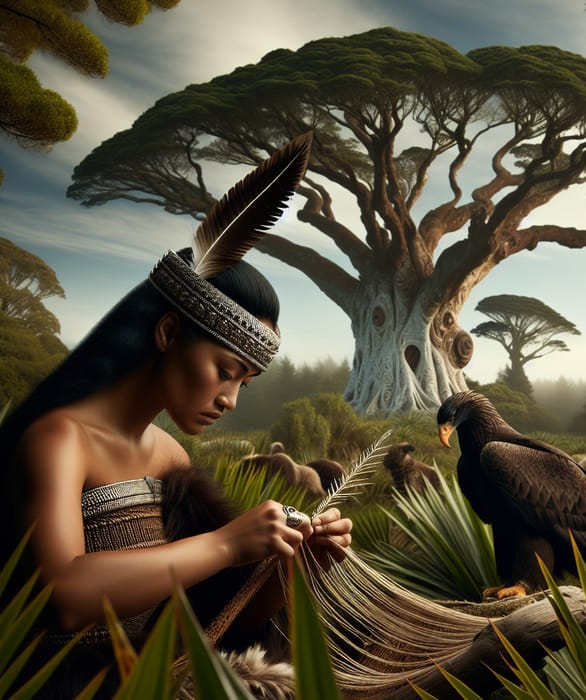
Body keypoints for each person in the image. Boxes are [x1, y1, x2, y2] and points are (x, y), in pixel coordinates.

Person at [0, 133, 352, 698]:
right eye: (225, 369)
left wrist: (295, 562)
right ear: (168, 334)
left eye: (244, 382)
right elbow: (63, 597)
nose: (230, 399)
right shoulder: (60, 439)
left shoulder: (170, 458)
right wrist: (227, 544)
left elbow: (218, 614)